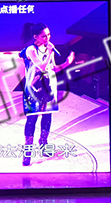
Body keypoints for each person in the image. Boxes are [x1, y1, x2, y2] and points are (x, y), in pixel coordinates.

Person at [20, 23, 74, 166]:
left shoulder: (49, 49)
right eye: (44, 36)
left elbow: (52, 68)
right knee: (32, 119)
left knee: (47, 117)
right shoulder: (31, 50)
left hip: (49, 86)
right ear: (36, 36)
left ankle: (43, 144)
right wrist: (49, 51)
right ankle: (27, 152)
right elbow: (42, 66)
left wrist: (67, 63)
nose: (47, 38)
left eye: (49, 35)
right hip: (34, 89)